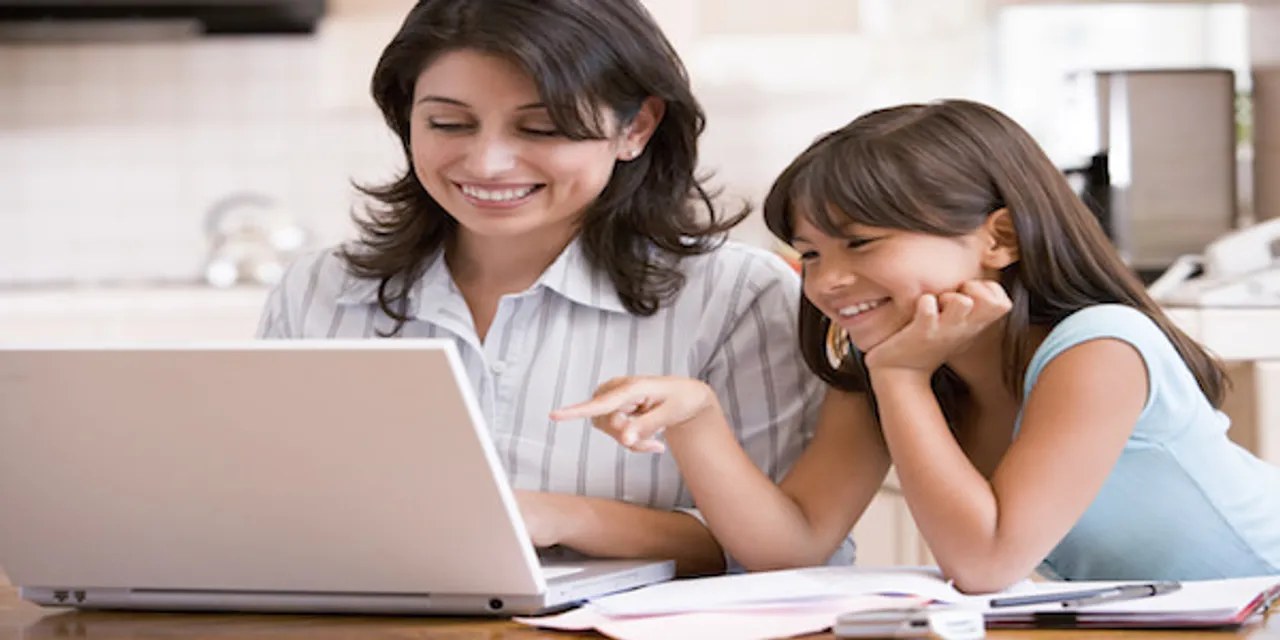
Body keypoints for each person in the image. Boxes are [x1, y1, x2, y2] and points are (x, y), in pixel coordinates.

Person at [554, 99, 1280, 591]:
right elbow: (793, 545)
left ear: (997, 237)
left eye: (861, 244)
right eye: (808, 254)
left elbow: (987, 563)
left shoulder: (1098, 347)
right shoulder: (891, 368)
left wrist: (901, 378)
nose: (829, 281)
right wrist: (697, 419)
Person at [254, 0, 842, 576]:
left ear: (635, 127)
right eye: (448, 124)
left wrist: (556, 519)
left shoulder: (738, 296)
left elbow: (773, 551)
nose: (487, 163)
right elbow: (265, 512)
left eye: (542, 127)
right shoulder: (318, 289)